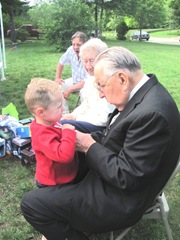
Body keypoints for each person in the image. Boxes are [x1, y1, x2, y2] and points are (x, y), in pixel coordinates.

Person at [21, 47, 180, 240]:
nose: (102, 94)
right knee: (64, 160)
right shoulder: (145, 94)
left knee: (32, 204)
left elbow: (126, 177)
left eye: (101, 85)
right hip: (112, 178)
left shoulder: (152, 114)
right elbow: (113, 135)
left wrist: (89, 146)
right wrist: (84, 140)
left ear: (122, 78)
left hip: (118, 200)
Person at [24, 78, 78, 188]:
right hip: (54, 183)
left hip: (63, 175)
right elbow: (64, 156)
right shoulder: (42, 134)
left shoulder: (50, 121)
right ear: (41, 112)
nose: (63, 109)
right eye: (59, 107)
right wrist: (67, 131)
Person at [61, 38, 115, 133]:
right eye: (85, 61)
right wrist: (73, 115)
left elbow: (104, 118)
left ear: (103, 59)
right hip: (90, 121)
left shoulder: (108, 80)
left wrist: (76, 118)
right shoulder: (91, 78)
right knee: (55, 122)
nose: (88, 66)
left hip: (102, 128)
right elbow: (86, 104)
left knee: (61, 126)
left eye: (92, 60)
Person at [55, 31, 88, 114]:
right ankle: (64, 115)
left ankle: (83, 117)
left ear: (85, 45)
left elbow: (88, 81)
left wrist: (70, 89)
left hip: (87, 84)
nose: (75, 47)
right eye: (73, 44)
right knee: (57, 87)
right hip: (74, 80)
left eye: (78, 45)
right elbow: (61, 62)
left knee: (85, 94)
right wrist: (58, 77)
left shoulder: (89, 54)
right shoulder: (70, 50)